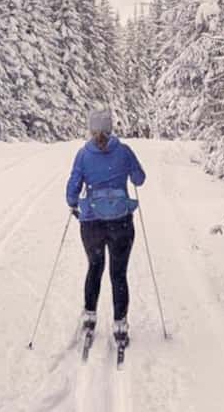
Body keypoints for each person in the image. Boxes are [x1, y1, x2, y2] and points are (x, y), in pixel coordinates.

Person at [65, 108, 146, 347]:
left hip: (92, 223)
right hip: (120, 221)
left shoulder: (83, 155)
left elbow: (72, 188)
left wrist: (73, 205)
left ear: (91, 129)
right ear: (110, 128)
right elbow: (139, 179)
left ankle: (90, 318)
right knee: (118, 273)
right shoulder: (123, 151)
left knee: (94, 267)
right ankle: (120, 324)